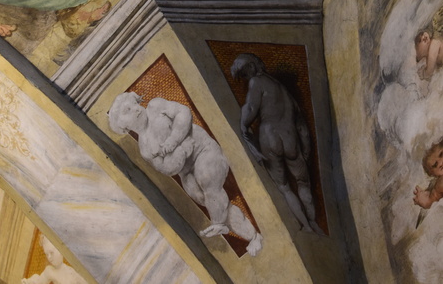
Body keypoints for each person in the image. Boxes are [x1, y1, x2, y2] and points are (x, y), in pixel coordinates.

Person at [107, 91, 263, 256]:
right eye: (128, 111)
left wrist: (174, 140)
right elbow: (167, 168)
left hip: (203, 150)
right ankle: (252, 236)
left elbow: (183, 114)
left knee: (206, 178)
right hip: (186, 170)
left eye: (134, 105)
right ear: (125, 128)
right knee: (205, 198)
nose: (136, 110)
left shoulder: (155, 106)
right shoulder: (145, 147)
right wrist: (181, 151)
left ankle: (217, 222)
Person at [231, 53, 323, 234]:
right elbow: (302, 126)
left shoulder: (257, 83)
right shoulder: (283, 90)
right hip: (291, 139)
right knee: (303, 182)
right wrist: (306, 149)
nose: (245, 79)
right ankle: (315, 223)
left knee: (284, 187)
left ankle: (305, 226)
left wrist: (243, 126)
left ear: (251, 67)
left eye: (244, 74)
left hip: (269, 138)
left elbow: (250, 109)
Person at [21, 235, 88, 284]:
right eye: (47, 254)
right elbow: (38, 280)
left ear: (60, 251)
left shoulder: (72, 273)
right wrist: (27, 282)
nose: (49, 257)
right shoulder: (49, 270)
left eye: (51, 253)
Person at [413, 138, 443, 211]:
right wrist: (424, 199)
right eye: (435, 165)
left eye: (442, 155)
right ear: (434, 175)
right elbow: (432, 200)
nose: (440, 163)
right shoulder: (440, 183)